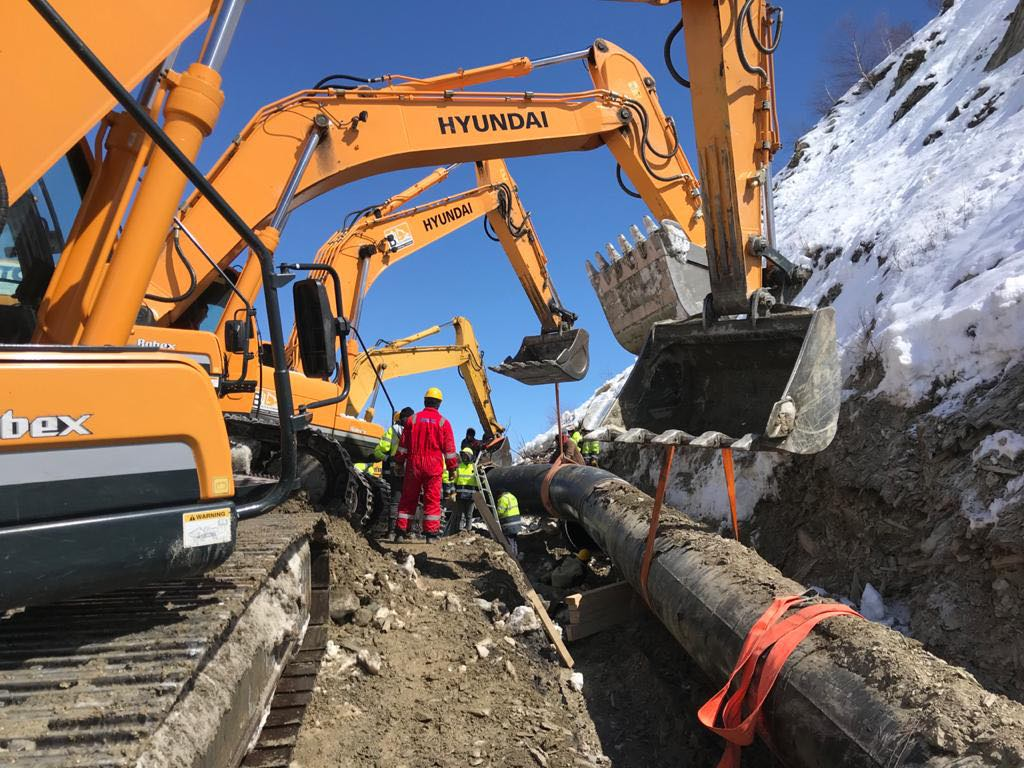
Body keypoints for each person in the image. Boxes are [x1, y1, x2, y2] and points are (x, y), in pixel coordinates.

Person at [392, 387, 458, 542]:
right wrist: (452, 468)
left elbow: (403, 446)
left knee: (408, 498)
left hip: (414, 464)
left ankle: (401, 532)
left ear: (424, 401)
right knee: (432, 500)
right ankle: (430, 535)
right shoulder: (444, 423)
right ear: (439, 403)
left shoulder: (412, 420)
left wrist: (399, 463)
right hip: (433, 466)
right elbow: (449, 450)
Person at [445, 447, 479, 535]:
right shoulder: (459, 467)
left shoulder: (474, 467)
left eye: (466, 456)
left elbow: (479, 482)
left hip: (471, 496)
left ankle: (468, 529)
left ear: (470, 456)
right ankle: (460, 530)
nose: (464, 458)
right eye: (463, 456)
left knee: (469, 514)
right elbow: (454, 481)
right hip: (460, 495)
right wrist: (453, 492)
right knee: (461, 514)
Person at [496, 490, 523, 558]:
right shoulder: (513, 497)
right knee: (514, 540)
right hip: (516, 522)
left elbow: (500, 511)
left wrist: (495, 515)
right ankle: (515, 555)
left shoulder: (503, 499)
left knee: (509, 541)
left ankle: (512, 557)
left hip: (508, 523)